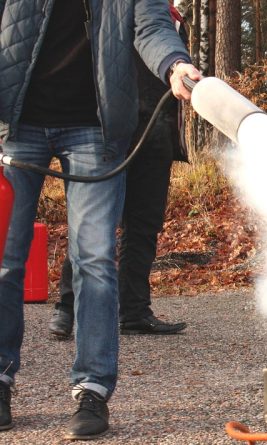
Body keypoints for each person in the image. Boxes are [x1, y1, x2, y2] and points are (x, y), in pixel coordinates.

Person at [0, 0, 201, 439]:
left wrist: (175, 65)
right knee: (5, 260)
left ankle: (91, 389)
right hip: (15, 124)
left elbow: (151, 27)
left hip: (96, 128)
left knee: (93, 259)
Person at [48, 5, 190, 339]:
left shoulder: (173, 18)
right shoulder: (115, 10)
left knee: (143, 226)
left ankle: (135, 311)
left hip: (157, 130)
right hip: (111, 130)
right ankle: (67, 309)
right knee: (94, 223)